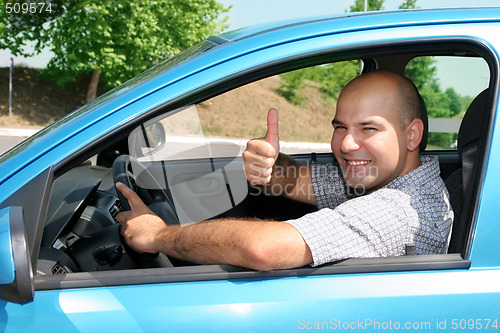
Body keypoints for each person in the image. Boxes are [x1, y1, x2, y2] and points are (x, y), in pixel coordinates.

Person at [115, 70, 453, 271]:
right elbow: (298, 180)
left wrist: (158, 235)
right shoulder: (391, 176)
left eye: (369, 129)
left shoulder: (400, 211)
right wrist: (270, 166)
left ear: (412, 135)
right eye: (340, 127)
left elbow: (263, 248)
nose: (347, 145)